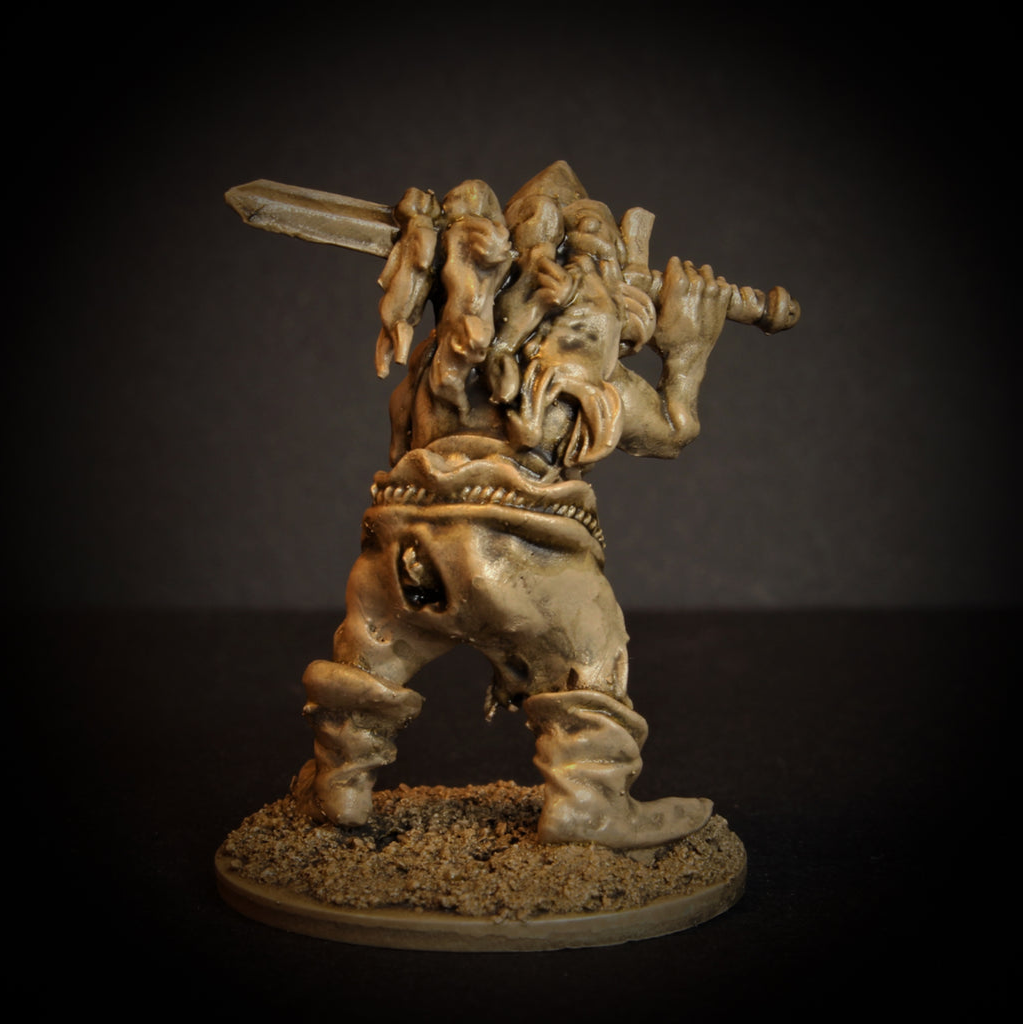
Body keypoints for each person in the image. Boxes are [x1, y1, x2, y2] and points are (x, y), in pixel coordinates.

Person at [293, 162, 734, 848]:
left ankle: (340, 781)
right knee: (592, 656)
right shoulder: (582, 360)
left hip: (403, 543)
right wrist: (689, 353)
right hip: (524, 547)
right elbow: (670, 434)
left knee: (368, 661)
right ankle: (589, 802)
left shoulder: (440, 353)